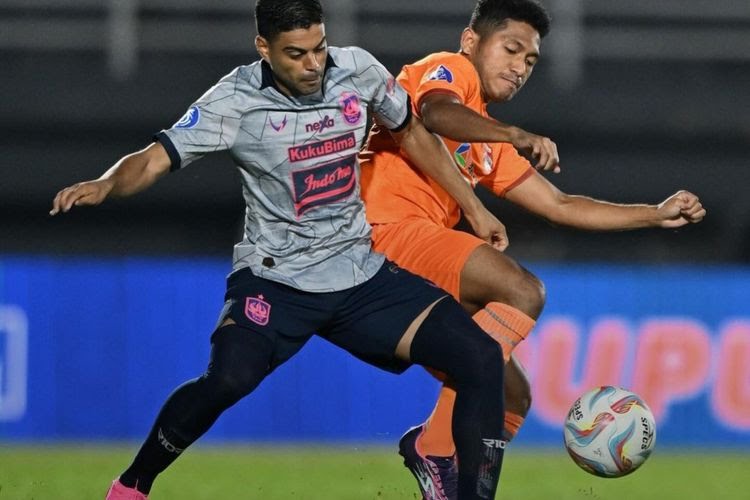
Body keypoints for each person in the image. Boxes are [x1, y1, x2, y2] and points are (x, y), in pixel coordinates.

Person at [49, 1, 515, 499]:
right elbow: (154, 159)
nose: (313, 65)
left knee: (482, 357)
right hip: (277, 281)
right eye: (296, 54)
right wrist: (105, 183)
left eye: (319, 48)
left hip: (359, 275)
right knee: (227, 380)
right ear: (263, 49)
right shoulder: (234, 99)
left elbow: (414, 134)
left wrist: (474, 208)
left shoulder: (358, 70)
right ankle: (131, 486)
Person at [359, 0, 706, 497]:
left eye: (530, 60)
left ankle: (466, 492)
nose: (520, 66)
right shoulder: (450, 71)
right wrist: (515, 133)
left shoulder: (487, 138)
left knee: (511, 395)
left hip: (416, 256)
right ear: (472, 41)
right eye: (512, 49)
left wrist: (654, 212)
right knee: (522, 289)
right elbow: (435, 113)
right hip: (382, 232)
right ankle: (433, 448)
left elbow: (560, 204)